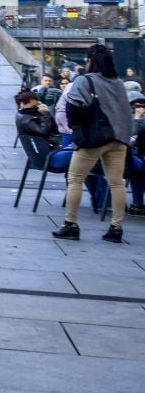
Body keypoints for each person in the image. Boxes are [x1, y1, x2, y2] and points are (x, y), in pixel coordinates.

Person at [57, 43, 131, 243]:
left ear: (90, 61)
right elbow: (125, 112)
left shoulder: (85, 80)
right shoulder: (118, 83)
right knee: (116, 183)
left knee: (75, 178)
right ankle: (116, 228)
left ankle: (70, 225)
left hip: (94, 138)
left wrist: (77, 130)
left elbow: (73, 108)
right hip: (119, 138)